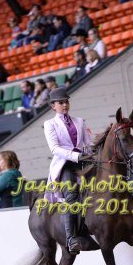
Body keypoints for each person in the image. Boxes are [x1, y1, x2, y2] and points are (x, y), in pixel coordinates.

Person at [44, 87, 93, 254]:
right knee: (71, 196)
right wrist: (75, 156)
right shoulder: (50, 124)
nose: (65, 105)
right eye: (60, 103)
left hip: (84, 162)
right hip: (65, 165)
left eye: (66, 101)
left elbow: (89, 144)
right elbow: (54, 148)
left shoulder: (80, 121)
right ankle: (71, 238)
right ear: (53, 106)